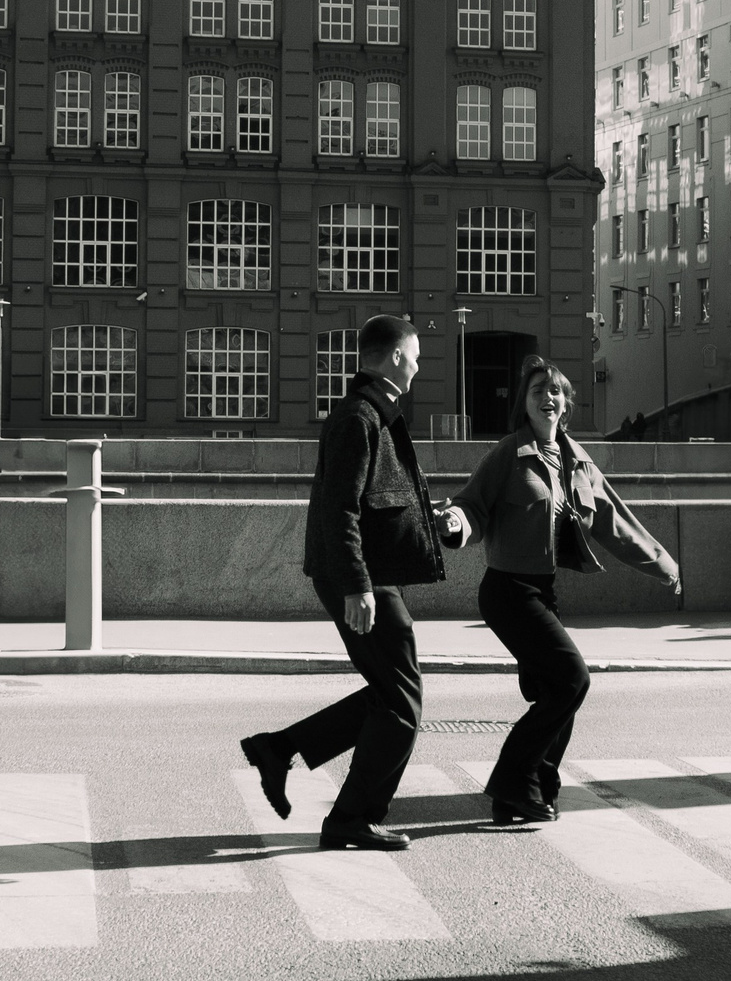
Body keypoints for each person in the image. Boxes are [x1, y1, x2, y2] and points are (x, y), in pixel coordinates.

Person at [240, 315, 451, 852]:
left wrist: (428, 517)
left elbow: (375, 500)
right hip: (358, 579)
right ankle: (352, 818)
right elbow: (340, 509)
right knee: (403, 702)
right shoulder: (360, 417)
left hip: (365, 575)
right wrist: (358, 585)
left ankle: (279, 749)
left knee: (390, 694)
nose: (420, 365)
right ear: (397, 357)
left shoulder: (371, 413)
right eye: (417, 355)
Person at [445, 354, 679, 827]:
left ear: (566, 404)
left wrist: (663, 565)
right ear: (524, 405)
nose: (547, 398)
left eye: (555, 391)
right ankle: (514, 782)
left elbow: (615, 523)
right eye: (537, 391)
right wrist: (455, 523)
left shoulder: (577, 461)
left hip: (543, 591)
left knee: (559, 693)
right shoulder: (509, 454)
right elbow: (472, 506)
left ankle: (533, 791)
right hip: (507, 591)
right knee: (574, 680)